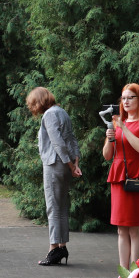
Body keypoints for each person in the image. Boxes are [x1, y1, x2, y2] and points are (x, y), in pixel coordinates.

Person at [102, 83, 139, 269]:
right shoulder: (117, 123)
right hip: (118, 177)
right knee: (121, 229)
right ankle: (123, 273)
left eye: (130, 97)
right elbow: (107, 155)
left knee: (135, 228)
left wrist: (123, 128)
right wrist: (110, 138)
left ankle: (135, 274)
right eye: (123, 98)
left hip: (137, 177)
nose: (125, 101)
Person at [26, 87, 81, 266]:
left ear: (40, 101)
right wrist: (75, 164)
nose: (33, 107)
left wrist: (71, 164)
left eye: (33, 103)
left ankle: (54, 250)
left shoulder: (49, 114)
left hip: (54, 164)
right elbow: (72, 139)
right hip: (65, 165)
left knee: (53, 207)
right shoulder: (62, 112)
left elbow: (57, 143)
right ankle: (62, 247)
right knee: (62, 206)